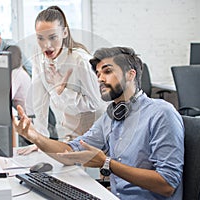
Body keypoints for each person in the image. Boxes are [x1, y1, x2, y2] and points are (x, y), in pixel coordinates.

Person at [13, 46, 184, 199]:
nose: (100, 78)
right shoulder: (110, 118)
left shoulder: (161, 113)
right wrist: (33, 135)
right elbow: (70, 151)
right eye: (98, 73)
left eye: (107, 71)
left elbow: (168, 184)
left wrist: (107, 163)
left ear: (130, 74)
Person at [30, 5, 105, 143]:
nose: (47, 45)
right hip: (67, 133)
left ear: (64, 33)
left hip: (93, 135)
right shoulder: (38, 56)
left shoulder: (81, 61)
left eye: (53, 37)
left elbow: (95, 103)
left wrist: (62, 90)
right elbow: (39, 100)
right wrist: (41, 140)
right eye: (40, 38)